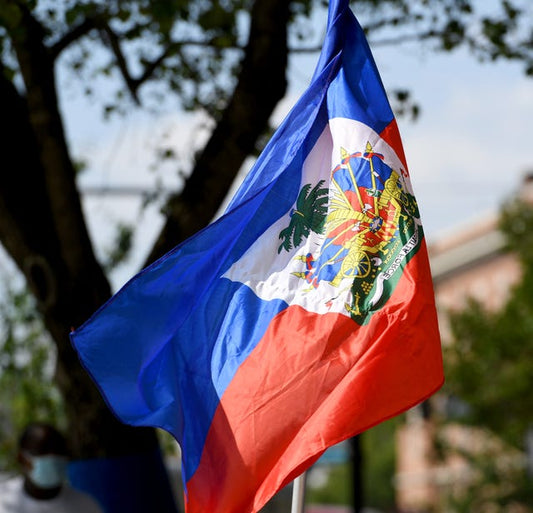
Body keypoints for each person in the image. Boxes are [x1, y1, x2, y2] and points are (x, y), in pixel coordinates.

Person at [0, 422, 103, 513]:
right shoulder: (3, 502)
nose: (52, 459)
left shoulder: (86, 506)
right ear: (22, 459)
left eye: (59, 451)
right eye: (42, 451)